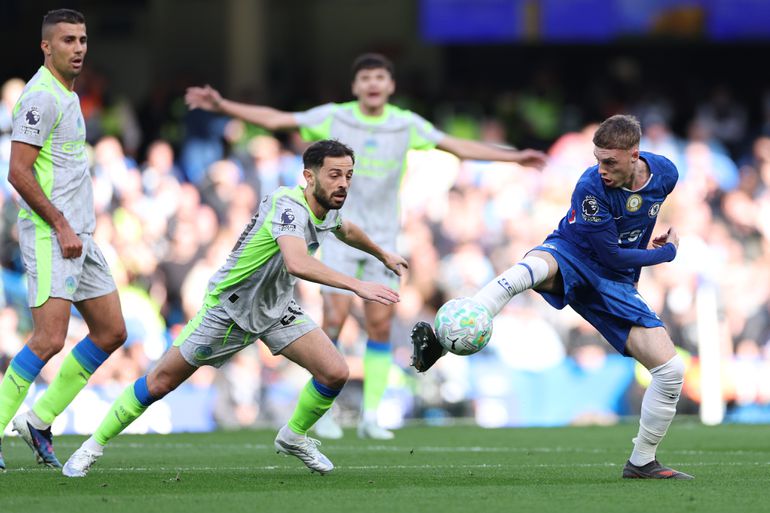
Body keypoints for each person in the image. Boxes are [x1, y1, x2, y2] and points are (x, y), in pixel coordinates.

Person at [185, 53, 547, 440]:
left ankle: (372, 415)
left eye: (380, 77)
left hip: (383, 239)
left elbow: (455, 146)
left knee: (380, 324)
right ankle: (323, 411)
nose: (373, 84)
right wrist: (223, 105)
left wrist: (513, 157)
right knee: (333, 321)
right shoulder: (335, 117)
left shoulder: (404, 124)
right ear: (355, 86)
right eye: (366, 78)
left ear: (390, 86)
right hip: (339, 234)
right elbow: (278, 119)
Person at [61, 139, 408, 477]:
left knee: (335, 372)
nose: (343, 183)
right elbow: (297, 262)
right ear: (309, 176)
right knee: (160, 382)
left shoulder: (327, 210)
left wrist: (383, 255)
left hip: (275, 308)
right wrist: (357, 284)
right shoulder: (288, 206)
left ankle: (293, 436)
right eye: (334, 174)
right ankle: (91, 447)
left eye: (348, 175)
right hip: (229, 309)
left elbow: (346, 229)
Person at [411, 114, 694, 480]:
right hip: (574, 255)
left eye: (610, 162)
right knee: (531, 268)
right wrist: (666, 253)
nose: (602, 169)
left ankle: (641, 462)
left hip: (617, 284)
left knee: (670, 372)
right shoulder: (590, 186)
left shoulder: (666, 173)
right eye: (598, 160)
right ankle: (442, 338)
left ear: (635, 154)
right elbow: (610, 255)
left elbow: (641, 212)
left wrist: (652, 236)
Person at [0, 9, 128, 471]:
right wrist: (60, 223)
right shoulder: (40, 97)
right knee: (49, 338)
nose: (78, 48)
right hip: (52, 233)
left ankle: (39, 421)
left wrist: (76, 226)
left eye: (83, 40)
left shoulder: (69, 95)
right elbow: (18, 172)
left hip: (79, 235)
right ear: (46, 46)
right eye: (68, 40)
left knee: (112, 331)